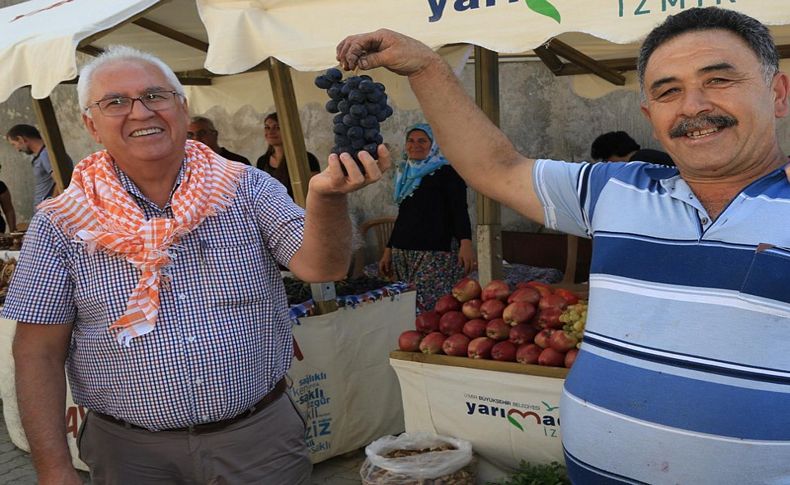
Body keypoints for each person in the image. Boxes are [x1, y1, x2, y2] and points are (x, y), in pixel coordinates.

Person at [337, 6, 789, 484]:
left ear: (778, 94)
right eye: (668, 90)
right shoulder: (614, 190)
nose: (693, 105)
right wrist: (427, 66)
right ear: (650, 116)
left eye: (718, 80)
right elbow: (496, 168)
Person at [2, 45, 388, 485]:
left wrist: (327, 196)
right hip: (129, 455)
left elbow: (323, 267)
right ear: (91, 124)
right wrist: (53, 469)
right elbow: (37, 352)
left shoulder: (246, 188)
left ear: (182, 109)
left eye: (154, 96)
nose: (140, 112)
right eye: (115, 102)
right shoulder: (63, 221)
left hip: (258, 443)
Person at [379, 123, 474, 311]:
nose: (415, 145)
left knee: (432, 307)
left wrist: (466, 243)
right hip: (403, 251)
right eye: (411, 141)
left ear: (434, 144)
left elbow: (459, 210)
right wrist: (388, 248)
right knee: (406, 307)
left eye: (422, 141)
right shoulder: (406, 172)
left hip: (435, 252)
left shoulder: (448, 173)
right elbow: (404, 215)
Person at [5, 124, 72, 210]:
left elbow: (61, 181)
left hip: (49, 212)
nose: (17, 149)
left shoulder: (46, 154)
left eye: (14, 144)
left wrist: (49, 207)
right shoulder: (44, 154)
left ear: (21, 139)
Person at [256, 112, 320, 199]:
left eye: (277, 127)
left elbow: (315, 194)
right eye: (267, 127)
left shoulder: (307, 159)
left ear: (289, 130)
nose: (271, 132)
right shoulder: (262, 161)